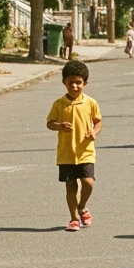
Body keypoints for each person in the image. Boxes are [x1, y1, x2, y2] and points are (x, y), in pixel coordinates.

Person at [46, 61, 102, 232]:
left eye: (78, 82)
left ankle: (82, 206)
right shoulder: (59, 104)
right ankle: (74, 219)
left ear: (85, 83)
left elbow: (98, 121)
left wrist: (94, 131)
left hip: (85, 151)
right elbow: (50, 123)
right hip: (66, 153)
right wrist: (60, 126)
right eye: (71, 82)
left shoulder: (90, 103)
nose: (74, 86)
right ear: (64, 82)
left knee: (88, 182)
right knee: (71, 186)